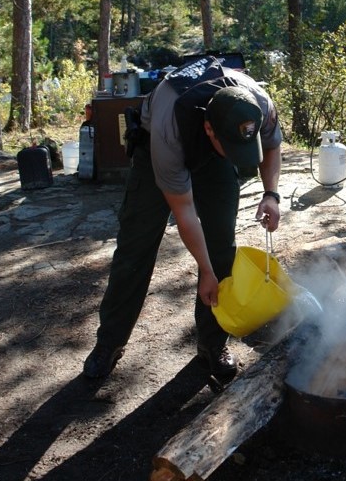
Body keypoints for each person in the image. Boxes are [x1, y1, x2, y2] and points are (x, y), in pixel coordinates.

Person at [83, 55, 283, 387]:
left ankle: (212, 344)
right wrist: (203, 270)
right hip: (157, 156)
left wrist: (271, 194)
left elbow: (272, 147)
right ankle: (110, 342)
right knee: (136, 248)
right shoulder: (169, 122)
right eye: (231, 147)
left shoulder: (256, 102)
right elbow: (184, 212)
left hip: (212, 155)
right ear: (209, 129)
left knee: (221, 249)